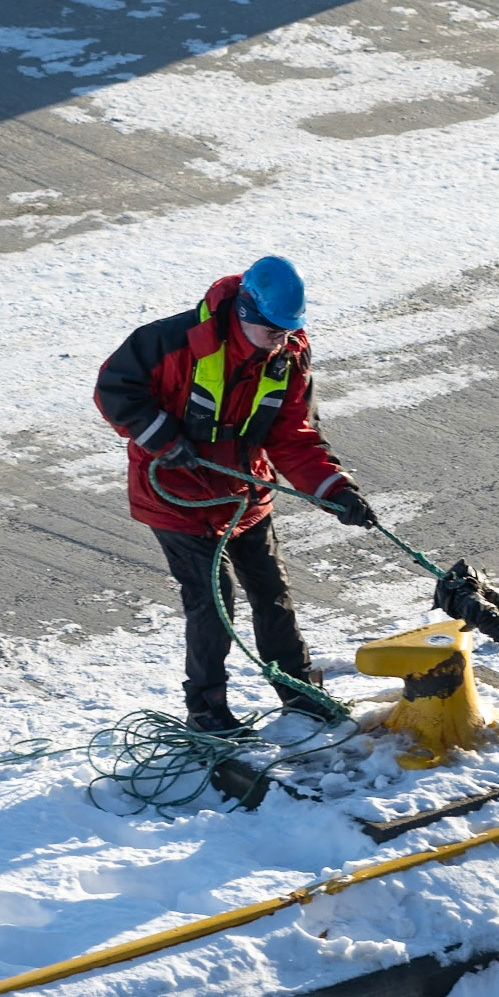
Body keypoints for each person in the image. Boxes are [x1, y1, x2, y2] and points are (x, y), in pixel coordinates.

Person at [94, 255, 377, 734]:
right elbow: (114, 389)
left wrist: (335, 489)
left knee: (272, 594)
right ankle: (207, 712)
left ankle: (301, 692)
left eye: (289, 330)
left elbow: (293, 434)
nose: (281, 339)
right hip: (178, 499)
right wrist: (164, 439)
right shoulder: (169, 341)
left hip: (244, 493)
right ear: (244, 310)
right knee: (213, 602)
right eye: (272, 329)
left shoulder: (287, 355)